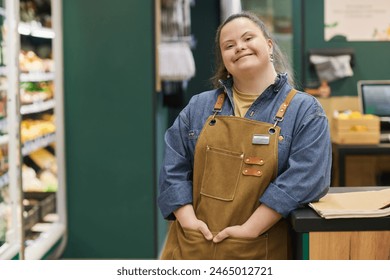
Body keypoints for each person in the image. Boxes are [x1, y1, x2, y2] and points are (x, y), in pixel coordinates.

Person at [157, 11, 331, 260]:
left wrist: (250, 229)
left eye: (248, 38)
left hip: (259, 248)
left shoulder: (305, 111)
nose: (239, 47)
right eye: (229, 45)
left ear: (269, 45)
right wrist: (188, 222)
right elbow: (173, 167)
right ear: (224, 60)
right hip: (192, 247)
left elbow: (307, 178)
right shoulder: (198, 107)